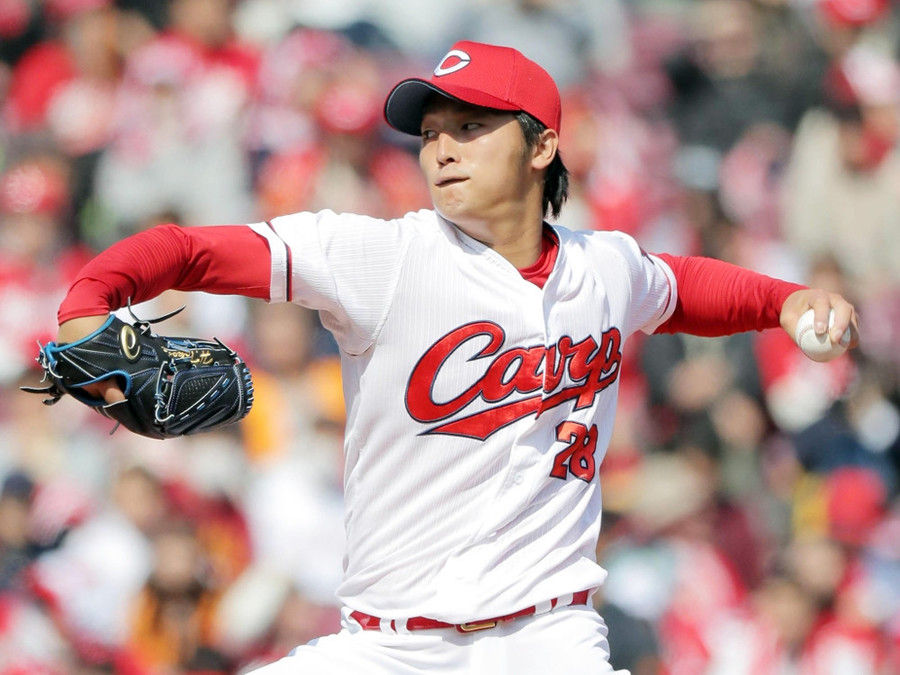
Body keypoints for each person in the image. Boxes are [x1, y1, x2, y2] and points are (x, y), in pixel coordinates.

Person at [50, 41, 858, 674]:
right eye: (431, 133)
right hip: (390, 646)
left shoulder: (603, 267)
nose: (441, 148)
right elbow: (189, 249)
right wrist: (87, 301)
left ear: (542, 146)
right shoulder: (379, 257)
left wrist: (784, 301)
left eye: (470, 128)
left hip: (550, 637)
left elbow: (683, 289)